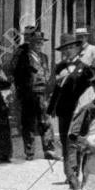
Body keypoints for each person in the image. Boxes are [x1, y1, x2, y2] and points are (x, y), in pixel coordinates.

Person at [47, 33, 93, 188]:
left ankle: (74, 173)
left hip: (79, 110)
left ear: (77, 48)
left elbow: (90, 90)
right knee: (65, 141)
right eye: (65, 49)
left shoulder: (84, 68)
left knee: (76, 141)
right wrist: (51, 108)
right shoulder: (59, 67)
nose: (67, 51)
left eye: (71, 47)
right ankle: (70, 174)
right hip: (63, 109)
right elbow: (53, 88)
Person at [12, 27, 60, 161]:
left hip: (42, 94)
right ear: (31, 43)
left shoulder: (44, 57)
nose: (39, 45)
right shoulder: (23, 56)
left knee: (46, 122)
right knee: (28, 122)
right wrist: (21, 92)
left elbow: (47, 74)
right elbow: (17, 75)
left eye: (41, 42)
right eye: (37, 42)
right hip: (29, 94)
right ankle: (29, 152)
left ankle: (49, 150)